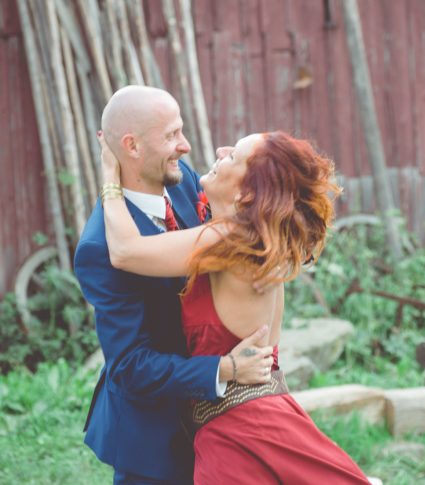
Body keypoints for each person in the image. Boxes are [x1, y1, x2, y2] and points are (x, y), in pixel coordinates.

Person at [98, 125, 372, 484]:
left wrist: (109, 175)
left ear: (246, 193)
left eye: (234, 156)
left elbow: (124, 252)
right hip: (263, 417)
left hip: (239, 431)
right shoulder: (259, 240)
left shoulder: (229, 239)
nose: (220, 151)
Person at [74, 85, 276, 485]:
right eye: (171, 135)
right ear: (131, 146)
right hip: (155, 439)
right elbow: (129, 367)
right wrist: (226, 368)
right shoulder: (99, 248)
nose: (185, 146)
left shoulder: (183, 181)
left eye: (181, 130)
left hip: (224, 421)